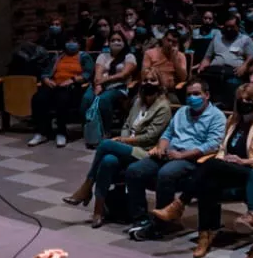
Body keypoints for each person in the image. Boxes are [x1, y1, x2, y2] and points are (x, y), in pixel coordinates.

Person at [155, 83, 253, 251]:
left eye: (248, 100)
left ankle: (179, 204)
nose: (244, 102)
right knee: (207, 182)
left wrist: (242, 161)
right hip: (227, 168)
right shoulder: (233, 121)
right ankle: (204, 235)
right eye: (240, 99)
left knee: (209, 165)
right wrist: (224, 158)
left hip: (251, 170)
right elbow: (221, 149)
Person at [65, 70, 172, 227]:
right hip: (127, 147)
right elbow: (127, 125)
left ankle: (86, 187)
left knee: (106, 144)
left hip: (146, 151)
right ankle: (98, 211)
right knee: (108, 160)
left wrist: (124, 140)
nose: (148, 83)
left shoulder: (163, 107)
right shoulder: (137, 102)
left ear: (160, 85)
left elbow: (150, 137)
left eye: (153, 80)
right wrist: (123, 139)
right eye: (146, 80)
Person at [125, 78, 226, 240]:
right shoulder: (181, 112)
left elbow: (212, 145)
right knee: (134, 171)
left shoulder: (217, 117)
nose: (192, 98)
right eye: (189, 95)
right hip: (169, 153)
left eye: (196, 94)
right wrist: (162, 147)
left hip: (191, 159)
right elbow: (167, 134)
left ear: (206, 95)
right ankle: (141, 219)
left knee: (166, 173)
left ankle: (160, 225)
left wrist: (181, 155)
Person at [28, 38, 93, 148]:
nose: (71, 44)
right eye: (69, 41)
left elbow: (87, 74)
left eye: (74, 42)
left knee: (62, 99)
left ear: (79, 44)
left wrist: (72, 80)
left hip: (72, 86)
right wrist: (46, 79)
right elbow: (47, 71)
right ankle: (41, 132)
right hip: (54, 84)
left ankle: (61, 132)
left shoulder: (84, 57)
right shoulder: (59, 56)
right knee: (38, 98)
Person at [81, 33, 138, 147]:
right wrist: (98, 84)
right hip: (99, 85)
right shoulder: (103, 56)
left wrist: (105, 80)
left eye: (119, 40)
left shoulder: (129, 56)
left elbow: (123, 74)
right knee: (87, 99)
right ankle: (90, 131)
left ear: (124, 42)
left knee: (104, 99)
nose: (116, 42)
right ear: (109, 42)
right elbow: (98, 73)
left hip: (119, 87)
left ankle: (106, 131)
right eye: (113, 40)